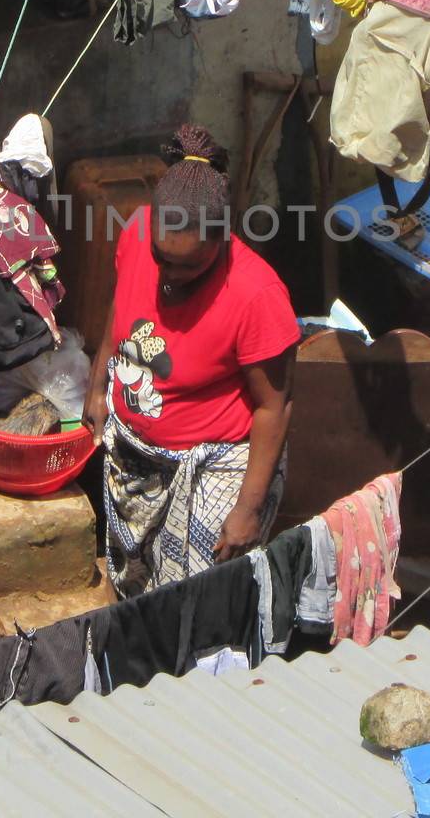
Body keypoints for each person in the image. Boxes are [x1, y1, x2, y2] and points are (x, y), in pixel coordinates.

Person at [83, 125, 299, 597]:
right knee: (134, 589)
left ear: (221, 241)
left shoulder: (257, 296)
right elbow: (120, 308)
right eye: (162, 258)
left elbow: (273, 408)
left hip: (216, 462)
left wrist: (248, 508)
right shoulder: (139, 231)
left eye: (188, 266)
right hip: (137, 451)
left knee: (198, 600)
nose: (169, 275)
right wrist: (98, 386)